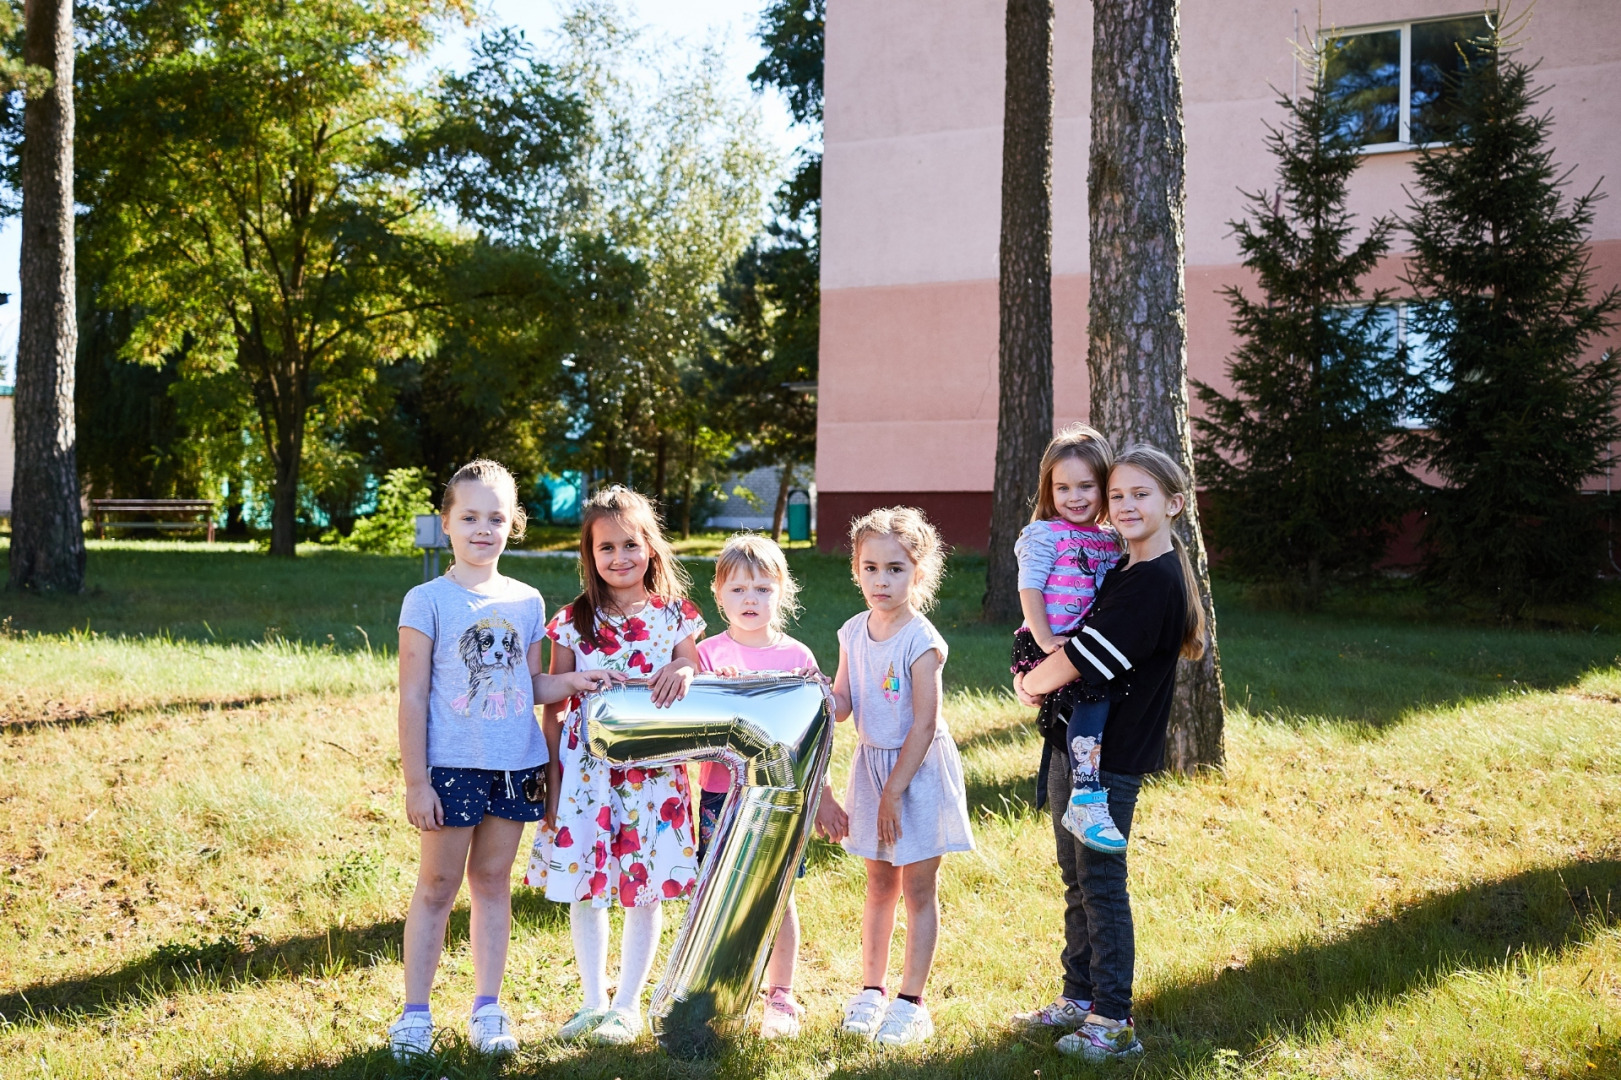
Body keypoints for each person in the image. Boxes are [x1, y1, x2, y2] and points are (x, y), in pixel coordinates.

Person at [390, 459, 618, 1061]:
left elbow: (530, 686)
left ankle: (487, 1008)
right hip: (452, 769)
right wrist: (418, 782)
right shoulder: (427, 600)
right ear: (447, 523)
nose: (482, 528)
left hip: (516, 768)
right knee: (437, 887)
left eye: (495, 517)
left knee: (492, 884)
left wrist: (577, 682)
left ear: (513, 524)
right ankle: (415, 1013)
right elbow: (411, 695)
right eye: (469, 516)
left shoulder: (526, 600)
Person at [1014, 445, 1207, 1062]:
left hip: (1111, 761)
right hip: (1074, 746)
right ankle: (1078, 996)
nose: (1124, 505)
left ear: (1174, 504)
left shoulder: (1154, 582)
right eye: (1117, 494)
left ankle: (1113, 1020)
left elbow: (1084, 656)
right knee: (1077, 880)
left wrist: (1030, 681)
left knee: (1101, 884)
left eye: (1140, 495)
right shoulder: (1124, 568)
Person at [524, 486, 704, 1046]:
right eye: (607, 548)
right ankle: (590, 999)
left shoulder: (676, 615)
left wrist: (686, 672)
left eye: (631, 544)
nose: (620, 557)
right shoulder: (574, 620)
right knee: (588, 885)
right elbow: (550, 699)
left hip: (653, 772)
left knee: (644, 885)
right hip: (584, 774)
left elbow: (693, 668)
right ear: (590, 554)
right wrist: (552, 776)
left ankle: (627, 1005)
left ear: (650, 547)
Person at [694, 533, 848, 1040]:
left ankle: (780, 994)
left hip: (784, 800)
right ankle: (717, 984)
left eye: (762, 588)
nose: (750, 600)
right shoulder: (707, 656)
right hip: (722, 796)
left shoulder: (797, 658)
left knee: (778, 895)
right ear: (719, 595)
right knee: (719, 892)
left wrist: (822, 797)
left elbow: (813, 739)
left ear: (782, 591)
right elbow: (692, 730)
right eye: (738, 590)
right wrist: (721, 692)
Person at [831, 507, 975, 1047]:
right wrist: (823, 694)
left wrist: (894, 792)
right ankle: (872, 990)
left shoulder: (922, 640)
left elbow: (925, 722)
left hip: (915, 773)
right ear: (856, 570)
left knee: (917, 887)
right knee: (877, 882)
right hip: (871, 768)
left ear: (918, 571)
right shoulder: (851, 630)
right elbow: (845, 703)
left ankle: (911, 1002)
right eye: (870, 568)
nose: (880, 580)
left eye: (894, 569)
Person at [1008, 424, 1124, 851]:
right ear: (1048, 489)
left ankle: (1077, 790)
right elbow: (1030, 588)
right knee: (1093, 701)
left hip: (1084, 641)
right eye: (1063, 487)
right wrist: (1044, 638)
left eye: (1086, 486)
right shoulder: (1044, 534)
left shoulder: (1112, 539)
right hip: (1049, 638)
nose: (1074, 497)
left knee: (1096, 703)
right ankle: (1085, 794)